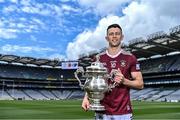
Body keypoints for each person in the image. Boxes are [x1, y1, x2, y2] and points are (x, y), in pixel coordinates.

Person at [81, 23, 144, 120]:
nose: (114, 36)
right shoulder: (98, 58)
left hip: (123, 113)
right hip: (101, 111)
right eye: (111, 34)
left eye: (117, 33)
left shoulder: (130, 58)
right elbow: (92, 81)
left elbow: (140, 84)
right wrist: (86, 98)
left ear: (122, 37)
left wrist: (124, 81)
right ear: (107, 38)